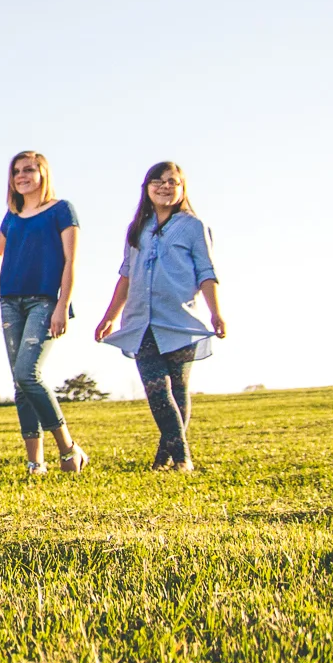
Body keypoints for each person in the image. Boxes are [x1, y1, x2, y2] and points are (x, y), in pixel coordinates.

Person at [92, 161, 227, 471]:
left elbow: (207, 273)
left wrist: (216, 313)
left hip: (180, 321)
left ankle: (167, 459)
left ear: (182, 189)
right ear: (147, 188)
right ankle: (182, 458)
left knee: (177, 392)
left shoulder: (193, 227)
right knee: (157, 390)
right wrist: (111, 316)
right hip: (142, 322)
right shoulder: (137, 228)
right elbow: (126, 275)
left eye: (172, 182)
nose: (165, 186)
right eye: (158, 181)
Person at [0, 150, 88, 475]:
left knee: (28, 373)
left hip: (44, 302)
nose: (21, 176)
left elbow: (72, 261)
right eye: (16, 171)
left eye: (28, 170)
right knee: (20, 383)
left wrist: (62, 304)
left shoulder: (61, 210)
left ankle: (69, 448)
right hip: (10, 303)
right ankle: (35, 462)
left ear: (43, 173)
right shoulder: (12, 215)